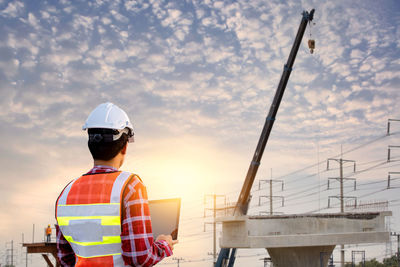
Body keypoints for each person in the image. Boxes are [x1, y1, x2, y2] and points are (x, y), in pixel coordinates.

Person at [55, 102, 177, 266]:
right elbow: (140, 257)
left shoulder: (66, 192)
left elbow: (65, 259)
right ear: (125, 146)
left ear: (90, 144)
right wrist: (164, 245)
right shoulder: (130, 186)